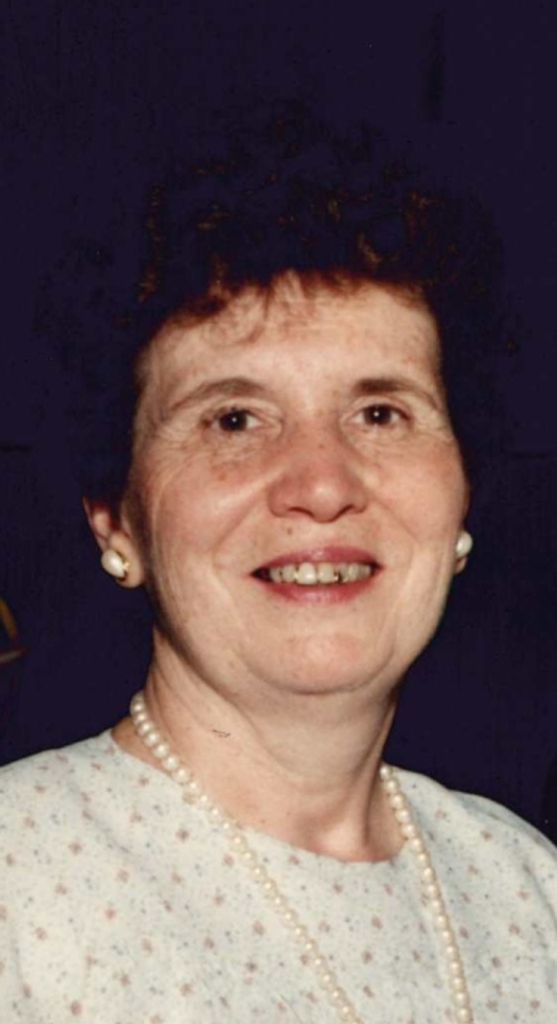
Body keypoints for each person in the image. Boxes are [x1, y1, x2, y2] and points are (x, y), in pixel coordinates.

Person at [1, 106, 555, 1023]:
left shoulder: (526, 889)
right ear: (116, 520)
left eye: (380, 413)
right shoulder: (22, 886)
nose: (322, 484)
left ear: (461, 495)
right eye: (234, 419)